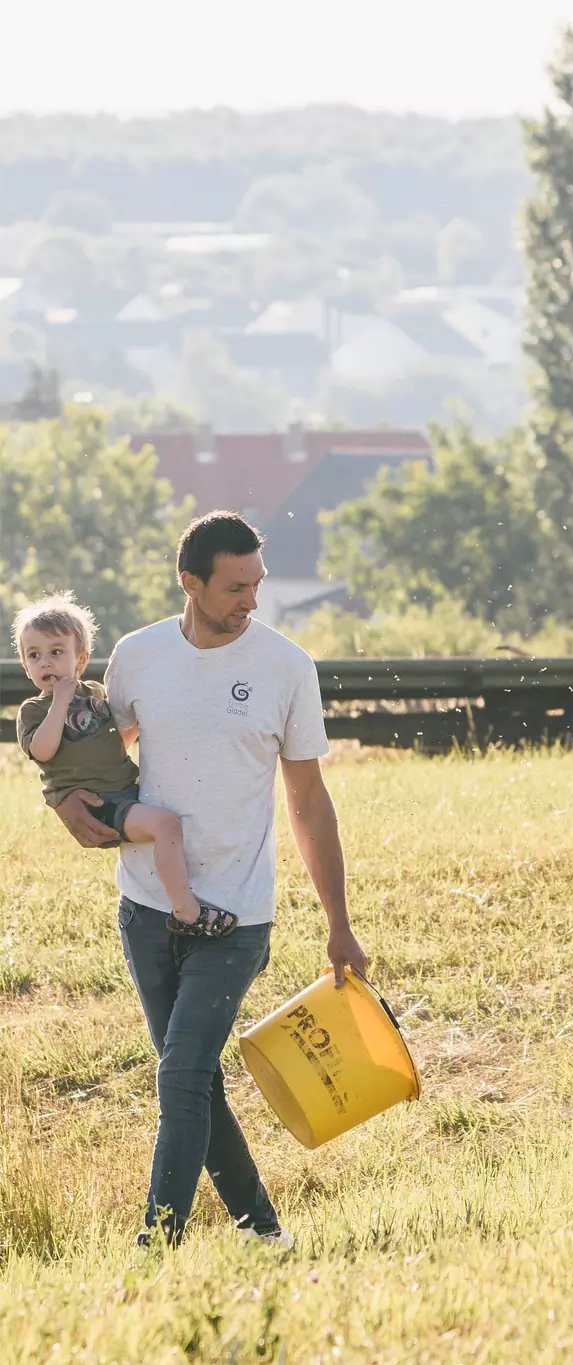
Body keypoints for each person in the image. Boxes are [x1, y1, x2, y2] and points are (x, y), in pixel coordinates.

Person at [53, 511, 368, 1250]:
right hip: (146, 905)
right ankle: (263, 1231)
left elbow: (308, 800)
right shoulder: (139, 656)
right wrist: (67, 800)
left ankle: (154, 1245)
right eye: (235, 587)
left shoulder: (286, 665)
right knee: (191, 1076)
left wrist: (339, 922)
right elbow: (98, 754)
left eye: (256, 583)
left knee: (183, 1069)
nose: (251, 601)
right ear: (189, 582)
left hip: (237, 916)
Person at [13, 593, 237, 938]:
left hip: (125, 790)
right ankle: (187, 911)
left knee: (185, 818)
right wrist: (59, 702)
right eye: (34, 655)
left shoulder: (95, 693)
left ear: (80, 659)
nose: (45, 663)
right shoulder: (34, 710)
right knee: (166, 825)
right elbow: (43, 750)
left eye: (56, 652)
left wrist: (151, 720)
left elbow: (116, 739)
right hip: (97, 803)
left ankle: (216, 896)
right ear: (25, 666)